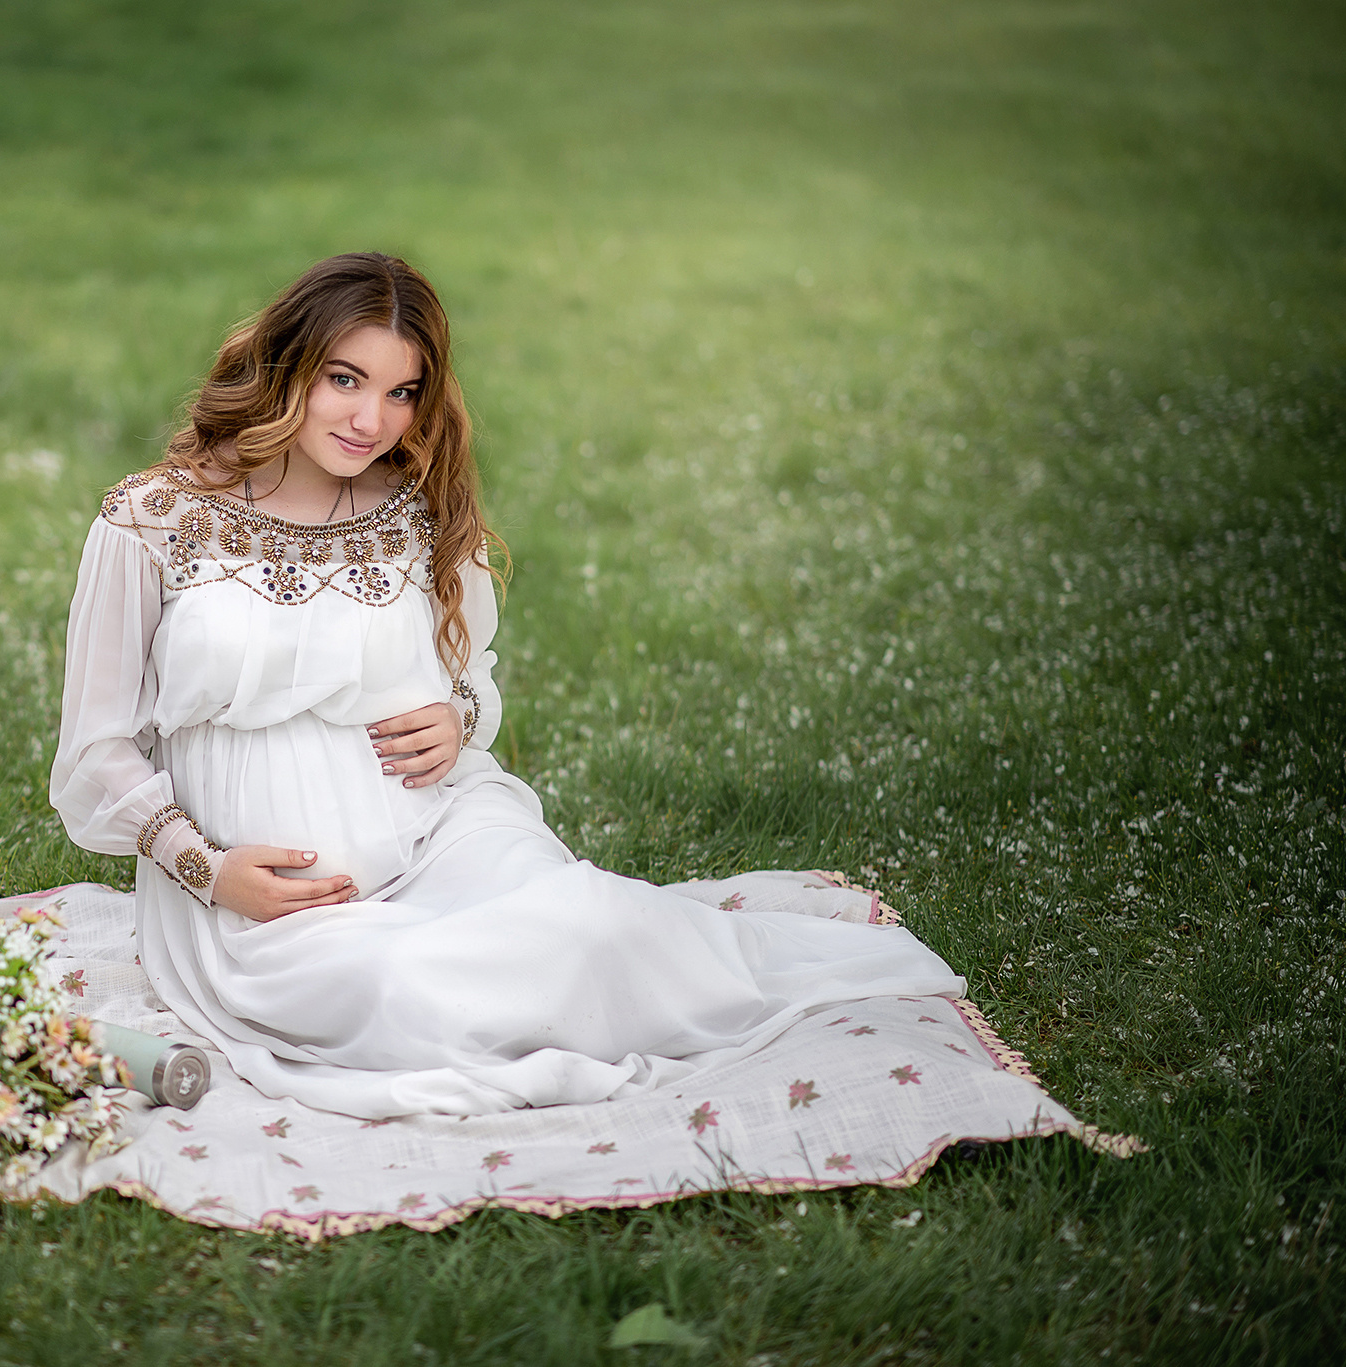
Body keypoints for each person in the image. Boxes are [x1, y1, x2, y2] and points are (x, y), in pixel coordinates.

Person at [51, 253, 963, 1119]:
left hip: (441, 827)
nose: (372, 419)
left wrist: (457, 719)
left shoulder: (419, 506)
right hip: (266, 904)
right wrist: (208, 871)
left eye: (401, 391)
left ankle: (691, 962)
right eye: (345, 379)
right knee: (402, 992)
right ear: (288, 365)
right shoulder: (155, 517)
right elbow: (96, 753)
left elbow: (473, 687)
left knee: (595, 928)